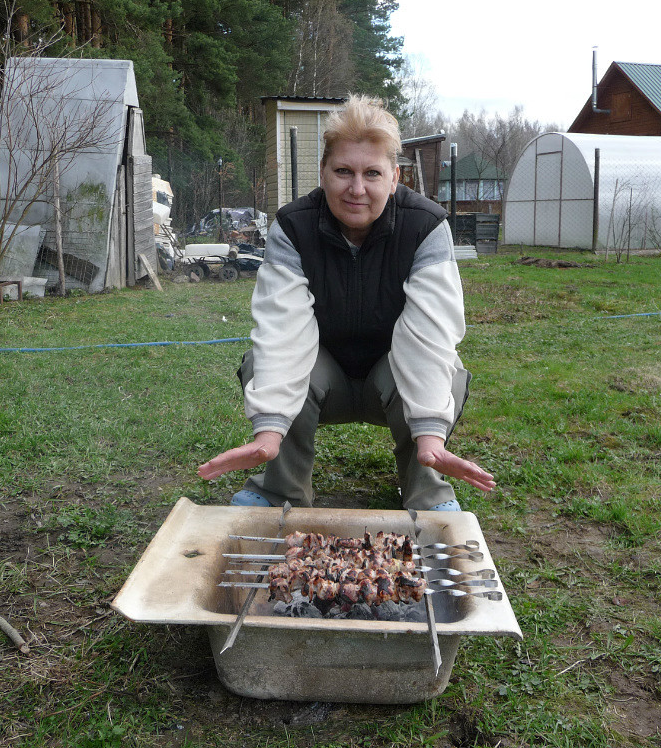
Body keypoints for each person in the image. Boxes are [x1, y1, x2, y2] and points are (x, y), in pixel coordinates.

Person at [198, 95, 494, 510]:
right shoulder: (292, 227)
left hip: (392, 376)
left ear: (395, 179)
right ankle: (280, 488)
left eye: (372, 173)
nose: (357, 189)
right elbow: (283, 332)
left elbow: (431, 335)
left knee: (445, 370)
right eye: (343, 171)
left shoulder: (426, 227)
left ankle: (426, 492)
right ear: (323, 173)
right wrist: (267, 434)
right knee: (261, 360)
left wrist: (429, 436)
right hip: (324, 376)